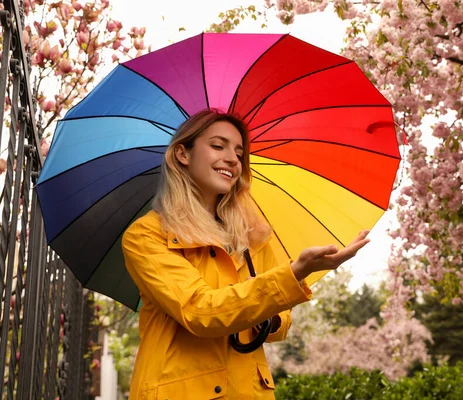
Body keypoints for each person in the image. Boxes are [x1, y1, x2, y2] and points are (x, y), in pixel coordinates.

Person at [121, 109, 370, 399]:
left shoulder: (253, 235)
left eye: (239, 153)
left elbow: (281, 322)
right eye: (218, 146)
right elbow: (199, 312)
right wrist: (293, 273)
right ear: (182, 154)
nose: (232, 159)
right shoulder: (147, 236)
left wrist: (267, 316)